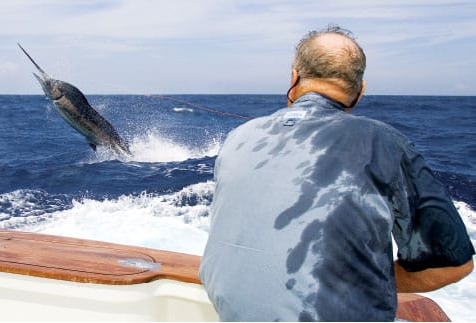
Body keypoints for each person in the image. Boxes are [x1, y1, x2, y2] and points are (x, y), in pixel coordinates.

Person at [199, 25, 474, 321]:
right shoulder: (385, 143)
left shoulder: (239, 136)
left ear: (294, 77)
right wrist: (365, 280)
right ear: (360, 90)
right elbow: (452, 264)